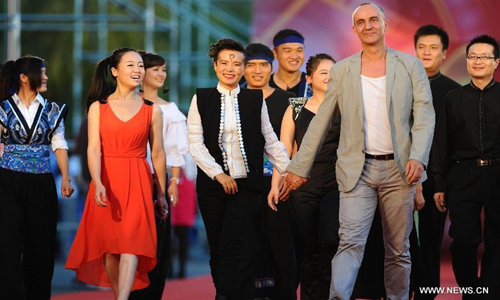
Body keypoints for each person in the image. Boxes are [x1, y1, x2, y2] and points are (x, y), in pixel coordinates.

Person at [284, 3, 435, 300]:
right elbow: (321, 122)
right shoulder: (343, 70)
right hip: (357, 171)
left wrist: (418, 157)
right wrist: (298, 167)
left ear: (385, 24)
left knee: (397, 249)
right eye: (361, 22)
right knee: (349, 243)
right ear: (354, 30)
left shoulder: (410, 65)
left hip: (400, 169)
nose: (368, 26)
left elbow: (425, 114)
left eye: (373, 20)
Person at [187, 37, 290, 300]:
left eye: (236, 63)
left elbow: (270, 139)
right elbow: (195, 144)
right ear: (215, 66)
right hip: (212, 185)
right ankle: (223, 293)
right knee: (218, 245)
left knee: (234, 245)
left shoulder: (254, 99)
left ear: (243, 68)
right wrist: (219, 175)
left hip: (245, 186)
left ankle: (228, 296)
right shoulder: (201, 98)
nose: (230, 68)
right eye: (224, 63)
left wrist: (291, 171)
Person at [65, 48, 168, 300]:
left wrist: (162, 193)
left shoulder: (152, 110)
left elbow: (158, 154)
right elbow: (92, 149)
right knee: (111, 249)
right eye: (131, 65)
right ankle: (118, 295)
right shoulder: (97, 108)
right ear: (114, 71)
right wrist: (97, 182)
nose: (138, 70)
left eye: (141, 66)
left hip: (138, 178)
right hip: (107, 180)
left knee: (132, 244)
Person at [431, 34, 500, 300]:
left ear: (496, 62)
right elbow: (441, 146)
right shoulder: (452, 99)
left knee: (497, 240)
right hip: (463, 175)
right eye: (472, 56)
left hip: (497, 174)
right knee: (462, 241)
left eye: (484, 57)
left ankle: (490, 292)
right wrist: (439, 184)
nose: (477, 61)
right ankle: (472, 292)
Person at [0, 55, 74, 300]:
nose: (46, 77)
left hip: (42, 182)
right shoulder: (3, 108)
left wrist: (66, 178)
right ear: (23, 78)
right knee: (8, 245)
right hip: (7, 182)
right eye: (41, 72)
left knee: (41, 246)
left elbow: (59, 144)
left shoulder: (53, 110)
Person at [270, 53, 338, 300]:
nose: (330, 77)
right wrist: (276, 184)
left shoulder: (344, 106)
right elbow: (284, 148)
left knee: (332, 241)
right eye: (323, 73)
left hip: (337, 185)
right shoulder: (296, 106)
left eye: (334, 73)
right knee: (306, 247)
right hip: (303, 187)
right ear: (309, 78)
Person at [127, 50, 188, 300]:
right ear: (141, 74)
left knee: (157, 242)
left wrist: (173, 182)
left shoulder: (171, 110)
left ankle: (151, 293)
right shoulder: (124, 104)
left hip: (157, 183)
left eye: (163, 70)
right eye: (156, 69)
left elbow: (175, 150)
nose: (161, 74)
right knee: (128, 243)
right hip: (129, 179)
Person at [244, 42, 297, 300]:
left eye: (263, 65)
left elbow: (296, 144)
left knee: (281, 246)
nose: (257, 71)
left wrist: (288, 176)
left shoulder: (289, 101)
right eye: (251, 65)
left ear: (271, 67)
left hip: (280, 184)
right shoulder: (232, 101)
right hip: (243, 185)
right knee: (247, 247)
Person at [413, 24, 460, 300]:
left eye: (433, 48)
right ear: (415, 50)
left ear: (444, 53)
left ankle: (427, 292)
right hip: (400, 175)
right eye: (422, 47)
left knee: (431, 239)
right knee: (399, 240)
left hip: (437, 178)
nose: (427, 52)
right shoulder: (400, 86)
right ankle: (401, 288)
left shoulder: (454, 93)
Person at [269, 29, 312, 98]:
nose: (294, 56)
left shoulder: (312, 85)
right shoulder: (264, 85)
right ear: (275, 53)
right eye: (288, 51)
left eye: (299, 50)